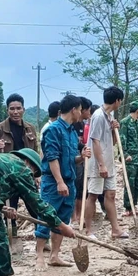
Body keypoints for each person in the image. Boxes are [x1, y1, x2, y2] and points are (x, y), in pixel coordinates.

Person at [35, 95, 91, 267]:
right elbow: (52, 158)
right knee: (47, 216)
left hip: (69, 181)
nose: (81, 113)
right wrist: (59, 182)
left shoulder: (72, 132)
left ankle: (55, 255)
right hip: (53, 183)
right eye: (80, 110)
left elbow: (70, 160)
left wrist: (81, 157)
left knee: (63, 218)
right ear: (73, 110)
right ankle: (39, 256)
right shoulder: (53, 130)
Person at [0, 93, 37, 237]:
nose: (15, 112)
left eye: (18, 108)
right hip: (8, 177)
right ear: (7, 110)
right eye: (12, 109)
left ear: (23, 109)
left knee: (35, 206)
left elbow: (35, 152)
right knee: (10, 210)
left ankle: (41, 236)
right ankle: (12, 235)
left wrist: (37, 175)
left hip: (26, 175)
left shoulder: (30, 129)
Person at [83, 86, 127, 239]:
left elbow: (112, 142)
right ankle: (89, 230)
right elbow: (95, 142)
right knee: (93, 195)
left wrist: (115, 129)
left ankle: (115, 229)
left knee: (111, 194)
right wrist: (101, 165)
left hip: (109, 162)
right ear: (117, 100)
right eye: (120, 101)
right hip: (97, 163)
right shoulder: (98, 116)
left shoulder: (110, 116)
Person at [119, 101, 138, 217]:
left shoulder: (137, 123)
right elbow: (122, 140)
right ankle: (128, 207)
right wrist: (125, 155)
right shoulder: (125, 122)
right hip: (131, 158)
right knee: (129, 183)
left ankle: (134, 205)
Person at [72, 97, 94, 223]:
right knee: (74, 187)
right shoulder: (72, 124)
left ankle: (80, 215)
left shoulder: (82, 124)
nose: (89, 113)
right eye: (88, 110)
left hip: (82, 158)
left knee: (81, 188)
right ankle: (73, 216)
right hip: (74, 159)